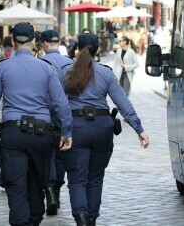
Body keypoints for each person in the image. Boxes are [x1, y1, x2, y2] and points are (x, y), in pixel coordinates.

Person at [0, 22, 73, 226]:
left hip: (13, 133)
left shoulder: (2, 68)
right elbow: (60, 103)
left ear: (13, 41)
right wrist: (66, 131)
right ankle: (33, 220)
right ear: (34, 42)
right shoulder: (46, 68)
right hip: (42, 134)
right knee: (37, 184)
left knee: (15, 186)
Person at [60, 33, 149, 226]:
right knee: (95, 178)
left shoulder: (65, 72)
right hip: (102, 127)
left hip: (76, 127)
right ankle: (91, 219)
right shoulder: (106, 73)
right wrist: (138, 129)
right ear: (98, 50)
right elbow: (123, 102)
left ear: (76, 49)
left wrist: (60, 130)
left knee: (76, 177)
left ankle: (81, 217)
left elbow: (56, 103)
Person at [38, 30, 74, 216]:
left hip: (44, 114)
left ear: (44, 43)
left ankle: (49, 189)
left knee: (49, 154)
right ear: (58, 42)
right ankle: (56, 192)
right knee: (61, 153)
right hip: (65, 114)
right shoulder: (70, 63)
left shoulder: (40, 63)